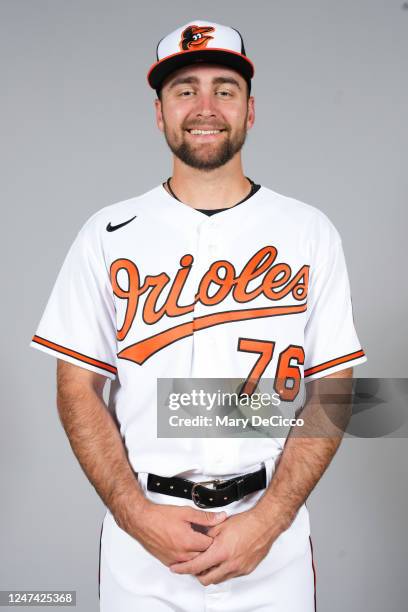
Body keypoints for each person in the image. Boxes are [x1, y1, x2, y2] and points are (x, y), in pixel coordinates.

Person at [30, 19, 367, 612]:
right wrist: (134, 514)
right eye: (185, 89)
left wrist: (272, 519)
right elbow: (76, 386)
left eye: (225, 89)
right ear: (158, 113)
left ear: (250, 111)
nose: (205, 106)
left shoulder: (308, 230)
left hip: (269, 538)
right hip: (143, 541)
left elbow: (335, 386)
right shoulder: (106, 235)